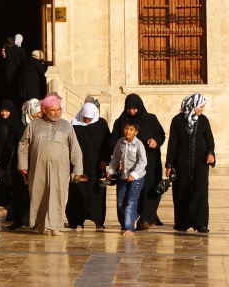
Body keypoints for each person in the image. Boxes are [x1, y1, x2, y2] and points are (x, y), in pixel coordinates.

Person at [18, 93, 83, 236]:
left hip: (60, 169)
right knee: (39, 195)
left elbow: (75, 149)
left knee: (57, 196)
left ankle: (55, 226)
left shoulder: (66, 126)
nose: (57, 113)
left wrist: (78, 169)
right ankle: (40, 223)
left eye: (58, 109)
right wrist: (23, 165)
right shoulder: (33, 125)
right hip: (38, 167)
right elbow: (23, 145)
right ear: (44, 110)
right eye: (53, 110)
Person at [111, 93, 165, 230]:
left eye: (134, 109)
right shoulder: (121, 121)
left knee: (148, 189)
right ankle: (129, 219)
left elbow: (161, 134)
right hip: (128, 164)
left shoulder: (151, 119)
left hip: (149, 162)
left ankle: (146, 218)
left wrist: (155, 141)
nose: (132, 112)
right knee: (127, 193)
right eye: (129, 109)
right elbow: (114, 140)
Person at [166, 94, 216, 233]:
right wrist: (169, 164)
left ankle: (201, 223)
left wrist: (210, 153)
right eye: (201, 107)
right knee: (182, 191)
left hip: (200, 163)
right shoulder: (177, 120)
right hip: (181, 164)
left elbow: (209, 140)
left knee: (200, 191)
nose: (202, 110)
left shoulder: (203, 120)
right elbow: (173, 143)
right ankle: (182, 222)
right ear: (192, 106)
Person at [66, 102, 112, 230]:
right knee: (77, 191)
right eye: (85, 118)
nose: (87, 121)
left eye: (90, 119)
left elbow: (107, 143)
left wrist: (105, 159)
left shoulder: (101, 124)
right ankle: (74, 221)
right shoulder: (74, 125)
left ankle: (99, 222)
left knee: (97, 193)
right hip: (79, 165)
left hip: (98, 166)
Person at [6, 98, 41, 229]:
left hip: (36, 161)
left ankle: (35, 221)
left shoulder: (41, 124)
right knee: (20, 191)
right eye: (36, 112)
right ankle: (19, 220)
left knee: (35, 192)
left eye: (39, 112)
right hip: (20, 163)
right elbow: (10, 143)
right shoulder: (18, 123)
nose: (38, 115)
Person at [108, 121, 147, 236]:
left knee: (131, 201)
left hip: (136, 177)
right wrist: (111, 170)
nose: (128, 132)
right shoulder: (121, 142)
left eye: (131, 129)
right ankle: (135, 216)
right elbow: (115, 157)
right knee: (121, 203)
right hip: (124, 176)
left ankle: (129, 228)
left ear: (136, 132)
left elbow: (143, 162)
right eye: (126, 129)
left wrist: (134, 174)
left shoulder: (138, 144)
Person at [3, 35, 26, 104]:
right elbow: (24, 62)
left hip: (8, 71)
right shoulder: (22, 50)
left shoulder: (8, 49)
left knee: (9, 88)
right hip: (17, 71)